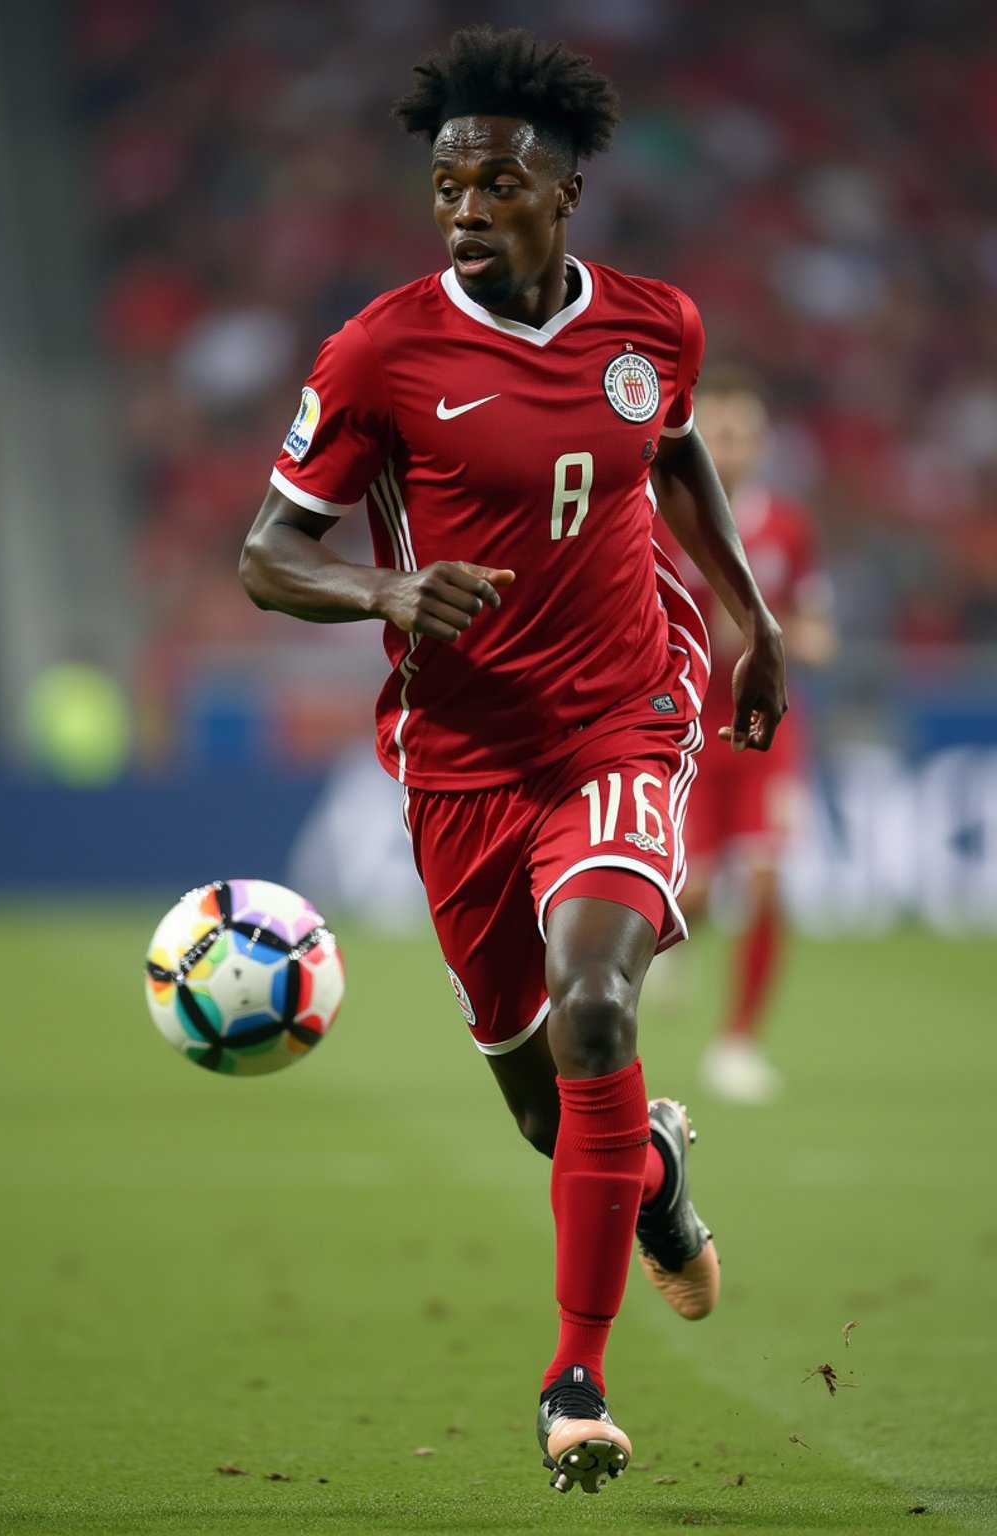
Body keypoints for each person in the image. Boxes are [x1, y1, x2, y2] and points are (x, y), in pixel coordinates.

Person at [240, 26, 786, 1496]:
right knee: (555, 1109)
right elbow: (266, 555)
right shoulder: (381, 351)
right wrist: (385, 594)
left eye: (496, 183)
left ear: (567, 192)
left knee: (595, 1003)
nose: (465, 207)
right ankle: (656, 1179)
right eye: (445, 187)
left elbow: (670, 450)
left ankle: (576, 1379)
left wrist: (747, 614)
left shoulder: (653, 325)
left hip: (622, 715)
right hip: (458, 766)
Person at [655, 368, 836, 1105]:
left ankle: (737, 1043)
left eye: (740, 432)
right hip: (685, 729)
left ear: (760, 443)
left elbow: (818, 629)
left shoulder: (788, 528)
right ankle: (676, 947)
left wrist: (781, 637)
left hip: (766, 731)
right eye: (716, 431)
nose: (728, 445)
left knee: (764, 881)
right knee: (692, 888)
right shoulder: (665, 514)